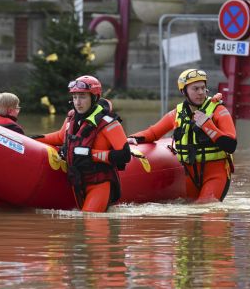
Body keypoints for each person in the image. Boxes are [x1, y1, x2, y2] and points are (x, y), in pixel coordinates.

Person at [128, 69, 236, 203]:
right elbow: (153, 133)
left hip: (216, 173)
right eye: (195, 89)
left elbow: (231, 145)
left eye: (203, 88)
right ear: (184, 91)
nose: (201, 92)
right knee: (191, 218)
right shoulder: (177, 113)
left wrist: (208, 126)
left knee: (205, 211)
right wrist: (132, 138)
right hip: (190, 175)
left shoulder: (219, 110)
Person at [33, 75, 131, 212]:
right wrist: (31, 139)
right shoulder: (72, 116)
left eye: (82, 97)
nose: (77, 102)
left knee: (89, 224)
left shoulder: (109, 123)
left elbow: (125, 155)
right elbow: (60, 137)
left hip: (99, 184)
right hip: (76, 182)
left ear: (94, 98)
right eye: (74, 97)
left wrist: (91, 154)